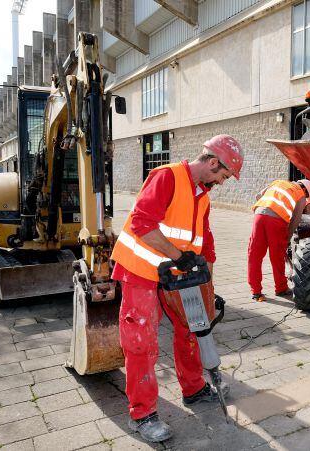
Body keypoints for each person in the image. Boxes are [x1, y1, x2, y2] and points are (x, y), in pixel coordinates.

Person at [109, 134, 244, 442]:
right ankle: (142, 414)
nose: (222, 182)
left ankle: (194, 389)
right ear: (212, 162)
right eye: (222, 175)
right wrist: (179, 257)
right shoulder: (166, 177)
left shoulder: (203, 195)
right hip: (141, 271)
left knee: (194, 330)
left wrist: (207, 277)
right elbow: (143, 224)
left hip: (178, 274)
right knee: (142, 342)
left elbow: (204, 238)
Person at [247, 178, 310, 302]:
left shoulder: (278, 182)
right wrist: (287, 238)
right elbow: (295, 220)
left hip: (259, 215)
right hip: (277, 221)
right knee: (277, 255)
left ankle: (255, 291)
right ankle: (281, 288)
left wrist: (265, 211)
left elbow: (258, 196)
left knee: (254, 254)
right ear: (304, 190)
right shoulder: (300, 195)